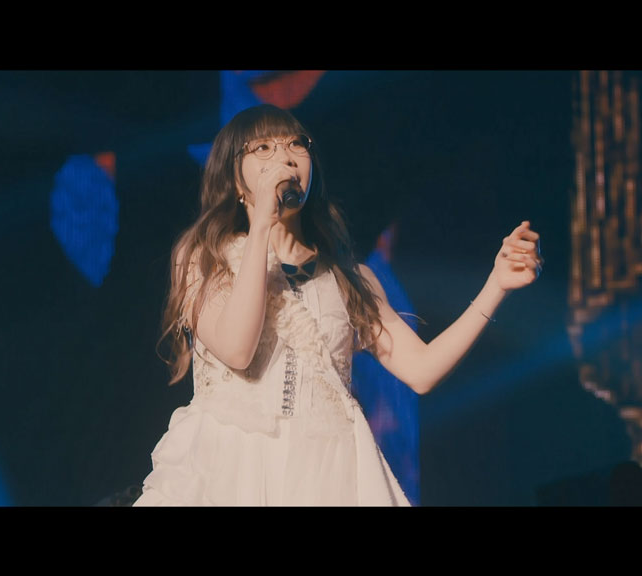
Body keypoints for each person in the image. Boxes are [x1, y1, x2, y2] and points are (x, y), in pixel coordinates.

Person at [133, 104, 543, 506]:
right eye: (263, 148)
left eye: (296, 144)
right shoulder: (205, 258)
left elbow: (422, 370)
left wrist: (496, 286)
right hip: (232, 472)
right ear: (236, 180)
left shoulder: (349, 278)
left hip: (324, 476)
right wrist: (261, 225)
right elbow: (237, 349)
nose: (285, 158)